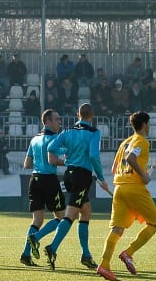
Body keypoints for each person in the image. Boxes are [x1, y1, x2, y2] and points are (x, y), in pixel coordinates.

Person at [36, 103, 110, 271]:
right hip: (82, 176)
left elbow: (51, 147)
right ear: (92, 116)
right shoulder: (93, 133)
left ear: (78, 114)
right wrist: (101, 177)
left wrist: (68, 149)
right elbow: (93, 155)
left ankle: (86, 255)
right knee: (70, 215)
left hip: (69, 175)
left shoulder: (67, 131)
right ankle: (51, 247)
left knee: (86, 212)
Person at [96, 111, 156, 281]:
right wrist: (144, 176)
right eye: (149, 123)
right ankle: (128, 253)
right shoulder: (142, 141)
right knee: (153, 224)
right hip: (134, 188)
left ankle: (104, 265)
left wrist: (139, 171)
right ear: (145, 124)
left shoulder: (125, 142)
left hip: (119, 188)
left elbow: (114, 168)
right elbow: (131, 158)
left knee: (117, 229)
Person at [19, 109, 66, 267]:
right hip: (49, 180)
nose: (59, 122)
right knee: (61, 218)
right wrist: (68, 162)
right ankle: (36, 238)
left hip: (35, 179)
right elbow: (55, 159)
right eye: (56, 119)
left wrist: (40, 162)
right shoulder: (55, 139)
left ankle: (26, 254)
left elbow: (27, 164)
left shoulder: (34, 139)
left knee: (37, 220)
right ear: (47, 121)